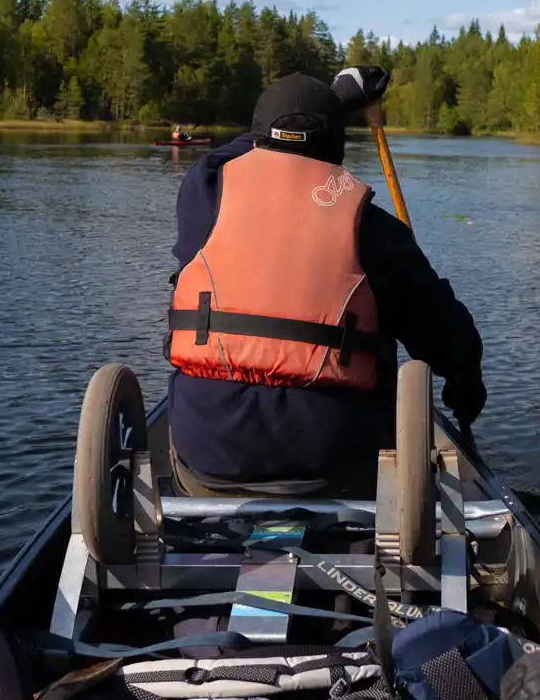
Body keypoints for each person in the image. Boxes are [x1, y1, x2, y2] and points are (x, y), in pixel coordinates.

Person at [164, 73, 486, 497]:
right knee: (382, 328)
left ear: (257, 138)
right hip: (336, 464)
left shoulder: (201, 196)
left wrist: (321, 107)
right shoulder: (374, 230)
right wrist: (466, 387)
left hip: (206, 457)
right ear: (337, 147)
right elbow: (445, 333)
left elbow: (226, 156)